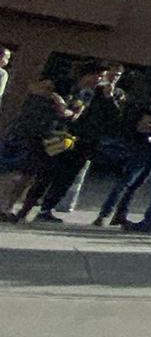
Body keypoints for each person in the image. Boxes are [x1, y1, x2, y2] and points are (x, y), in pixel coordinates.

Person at [32, 65, 124, 223]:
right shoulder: (88, 90)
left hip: (88, 139)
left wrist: (109, 97)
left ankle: (47, 208)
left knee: (68, 176)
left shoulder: (116, 94)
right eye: (111, 74)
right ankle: (30, 203)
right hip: (67, 134)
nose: (113, 78)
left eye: (118, 76)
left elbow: (117, 117)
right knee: (48, 171)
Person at [1, 75, 75, 219]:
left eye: (49, 87)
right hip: (21, 136)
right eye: (44, 86)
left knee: (26, 177)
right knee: (11, 175)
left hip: (41, 139)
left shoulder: (60, 100)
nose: (46, 89)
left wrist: (59, 101)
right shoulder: (32, 96)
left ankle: (8, 207)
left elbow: (67, 113)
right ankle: (3, 207)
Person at [96, 96, 151, 228]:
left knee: (134, 184)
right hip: (142, 149)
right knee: (127, 182)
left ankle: (119, 214)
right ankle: (105, 214)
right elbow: (141, 127)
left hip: (150, 150)